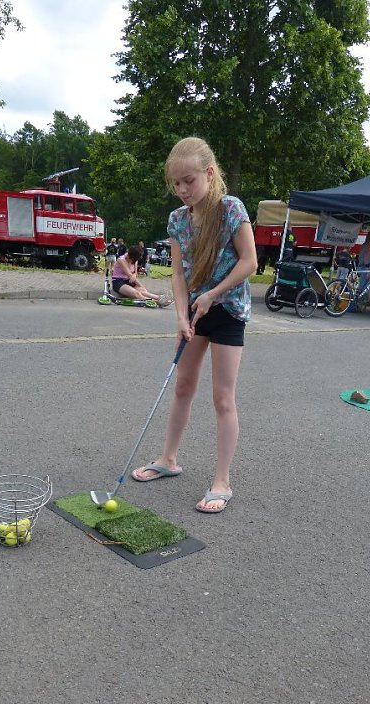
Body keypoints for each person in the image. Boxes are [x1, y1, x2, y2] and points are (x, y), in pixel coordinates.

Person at [131, 136, 257, 513]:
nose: (183, 189)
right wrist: (181, 317)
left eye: (189, 180)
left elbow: (249, 262)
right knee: (183, 385)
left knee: (222, 397)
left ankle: (223, 480)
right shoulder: (176, 220)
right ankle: (169, 459)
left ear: (209, 173)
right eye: (177, 183)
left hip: (228, 310)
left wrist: (214, 293)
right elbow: (178, 275)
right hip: (195, 313)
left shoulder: (231, 209)